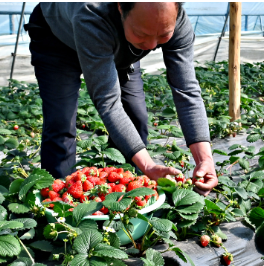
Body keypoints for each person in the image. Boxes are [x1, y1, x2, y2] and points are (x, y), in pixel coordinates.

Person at [25, 2, 218, 196]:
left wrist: (205, 160)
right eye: (142, 34)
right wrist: (149, 165)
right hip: (57, 39)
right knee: (61, 122)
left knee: (136, 116)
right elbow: (108, 102)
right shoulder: (92, 13)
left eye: (163, 35)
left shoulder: (173, 22)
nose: (152, 45)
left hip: (119, 40)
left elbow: (186, 90)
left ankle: (119, 197)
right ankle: (59, 203)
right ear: (120, 7)